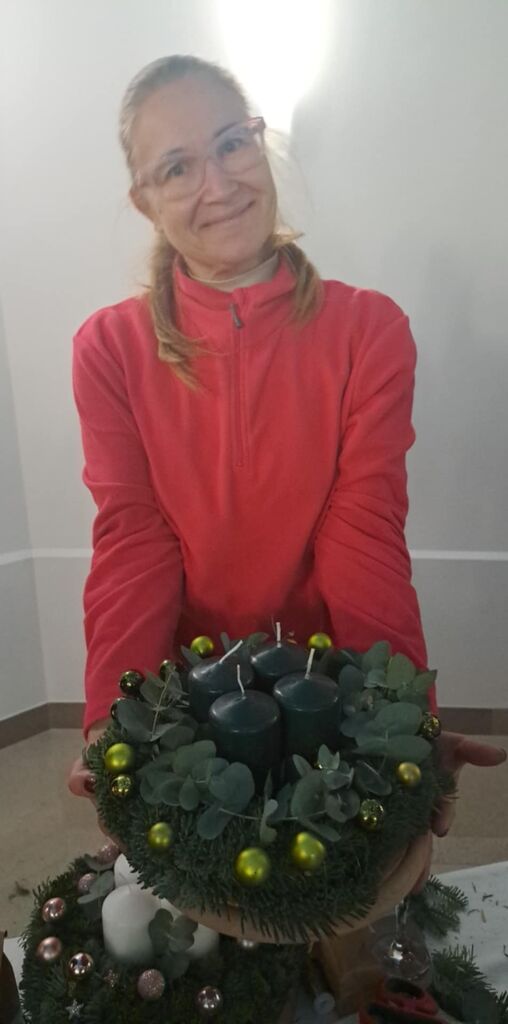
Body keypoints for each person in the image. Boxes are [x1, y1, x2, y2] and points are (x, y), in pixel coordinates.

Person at [68, 56, 505, 846]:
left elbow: (364, 534)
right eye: (177, 167)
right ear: (145, 200)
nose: (218, 185)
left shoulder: (370, 331)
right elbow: (133, 541)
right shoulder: (108, 349)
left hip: (329, 697)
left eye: (231, 144)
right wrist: (112, 718)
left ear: (260, 143)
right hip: (184, 711)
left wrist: (407, 718)